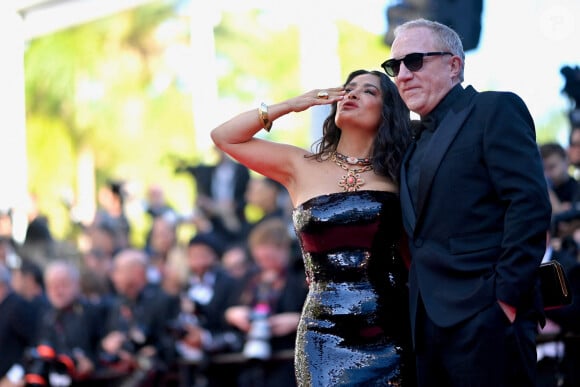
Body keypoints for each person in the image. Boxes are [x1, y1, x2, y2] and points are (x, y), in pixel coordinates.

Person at [211, 69, 414, 385]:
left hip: (389, 326)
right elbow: (224, 136)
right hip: (324, 333)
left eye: (368, 91)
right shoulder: (301, 165)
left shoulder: (401, 171)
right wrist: (293, 104)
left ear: (387, 112)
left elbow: (411, 254)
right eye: (349, 89)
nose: (352, 94)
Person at [382, 18, 552, 386]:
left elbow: (529, 205)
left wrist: (504, 300)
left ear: (453, 65)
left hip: (486, 317)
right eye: (394, 66)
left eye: (414, 61)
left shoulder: (494, 110)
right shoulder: (409, 144)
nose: (403, 75)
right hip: (425, 326)